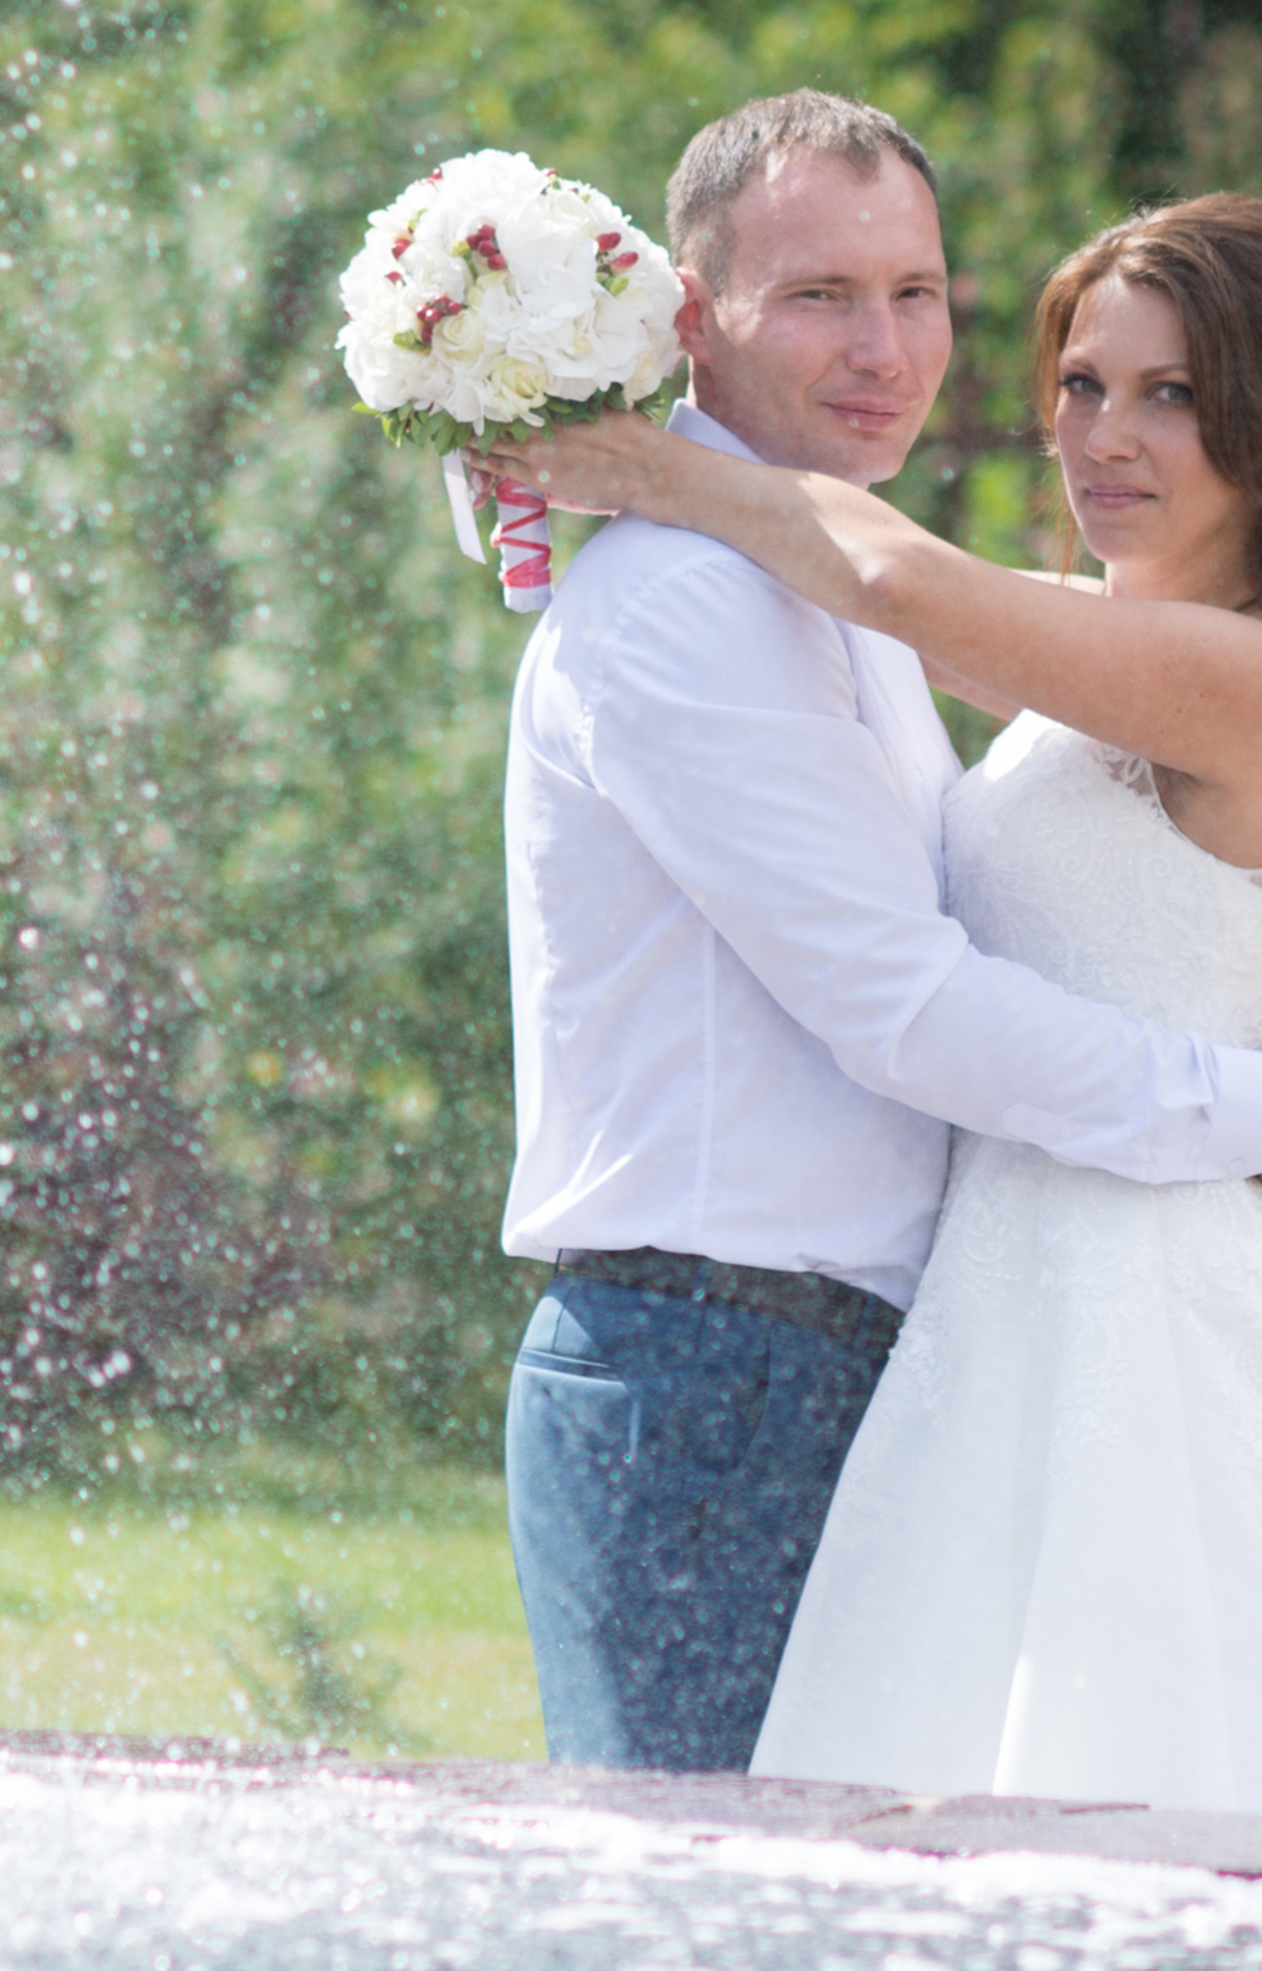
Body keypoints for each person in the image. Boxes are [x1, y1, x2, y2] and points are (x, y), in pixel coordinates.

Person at [478, 91, 1262, 1781]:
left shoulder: (1043, 632)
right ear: (694, 317)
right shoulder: (710, 596)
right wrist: (634, 489)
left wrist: (658, 468)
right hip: (743, 1358)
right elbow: (907, 1000)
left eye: (918, 294)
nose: (886, 346)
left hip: (1058, 1335)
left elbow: (907, 589)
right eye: (1082, 387)